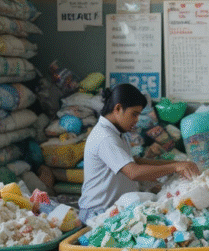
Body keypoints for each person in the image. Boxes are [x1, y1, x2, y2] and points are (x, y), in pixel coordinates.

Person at [78, 83, 199, 222]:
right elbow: (133, 172)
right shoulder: (105, 137)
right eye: (134, 114)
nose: (136, 120)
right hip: (97, 214)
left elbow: (135, 162)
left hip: (113, 211)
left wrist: (178, 163)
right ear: (118, 108)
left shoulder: (116, 133)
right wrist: (175, 167)